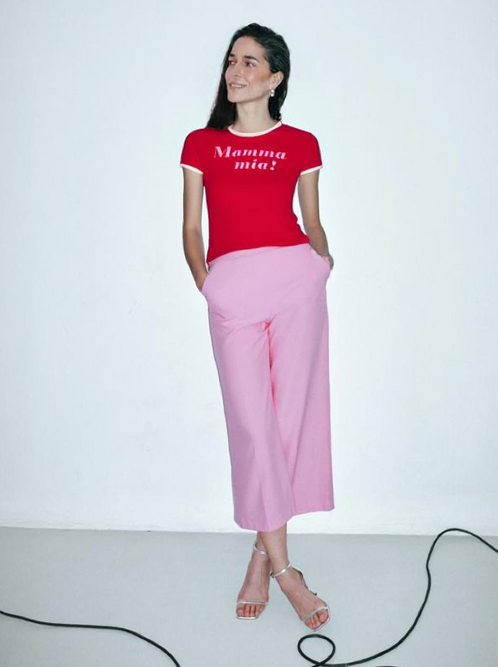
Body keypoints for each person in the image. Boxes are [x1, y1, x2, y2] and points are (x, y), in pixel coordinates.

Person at [180, 22, 334, 632]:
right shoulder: (201, 143)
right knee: (253, 426)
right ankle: (287, 572)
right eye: (231, 61)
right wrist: (208, 282)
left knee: (289, 422)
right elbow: (192, 227)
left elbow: (312, 220)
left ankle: (261, 558)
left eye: (249, 62)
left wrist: (321, 264)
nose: (235, 71)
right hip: (233, 285)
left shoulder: (300, 142)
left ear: (275, 78)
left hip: (295, 280)